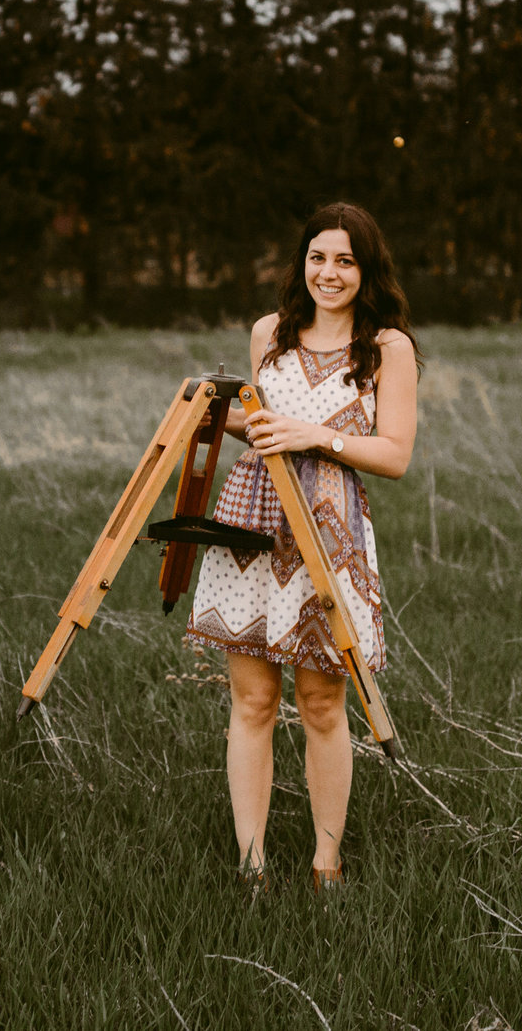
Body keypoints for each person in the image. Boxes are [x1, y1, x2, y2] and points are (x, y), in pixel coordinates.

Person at [183, 202, 419, 889]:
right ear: (302, 263)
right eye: (318, 257)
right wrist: (214, 412)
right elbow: (261, 432)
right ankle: (251, 866)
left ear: (365, 268)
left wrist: (318, 436)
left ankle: (326, 866)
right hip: (255, 522)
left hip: (331, 535)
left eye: (345, 260)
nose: (329, 272)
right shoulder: (269, 333)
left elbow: (396, 454)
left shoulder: (388, 347)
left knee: (322, 702)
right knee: (252, 698)